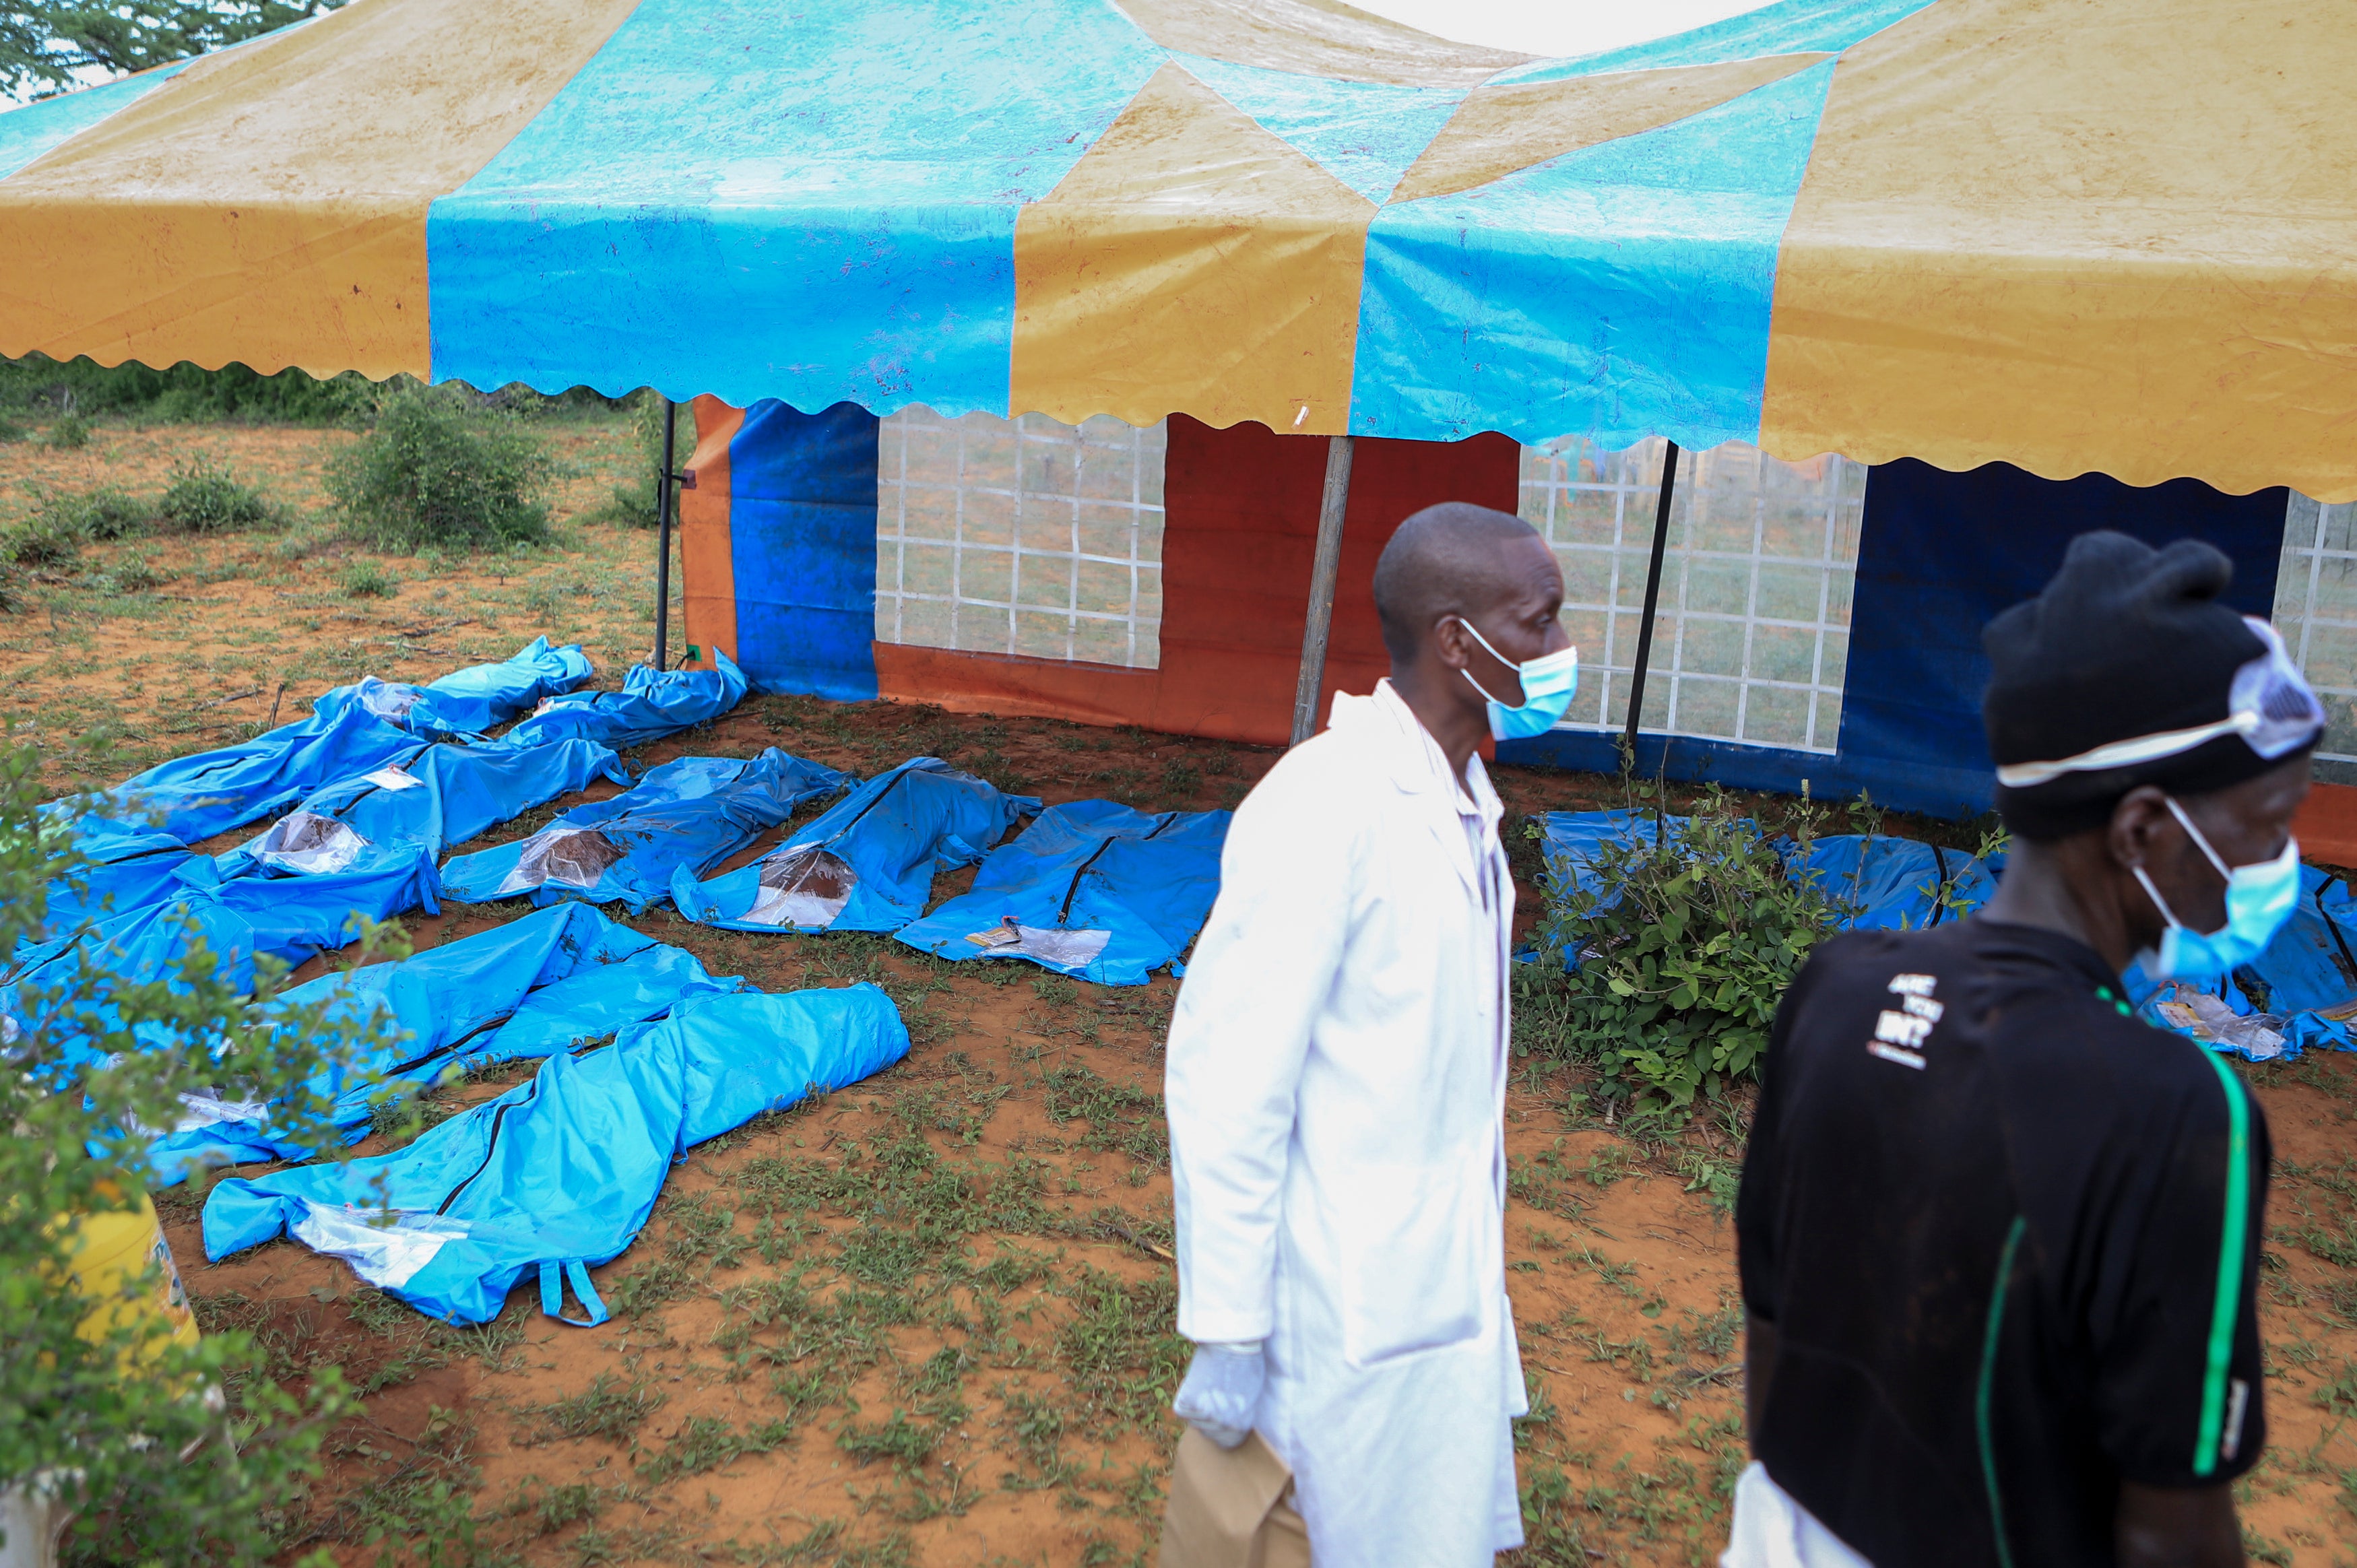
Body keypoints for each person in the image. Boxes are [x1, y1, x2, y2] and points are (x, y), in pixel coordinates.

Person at [1729, 532, 2317, 1568]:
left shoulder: (1838, 983)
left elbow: (1775, 1335)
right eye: (2267, 826)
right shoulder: (2176, 1109)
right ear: (2142, 831)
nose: (2282, 864)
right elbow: (2171, 1530)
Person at [1161, 502, 1579, 1567]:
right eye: (1538, 622)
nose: (1559, 651)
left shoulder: (1465, 805)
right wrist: (1230, 1326)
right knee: (1320, 1526)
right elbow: (1227, 1082)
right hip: (1329, 1307)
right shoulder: (1323, 808)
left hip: (1434, 1284)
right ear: (1456, 639)